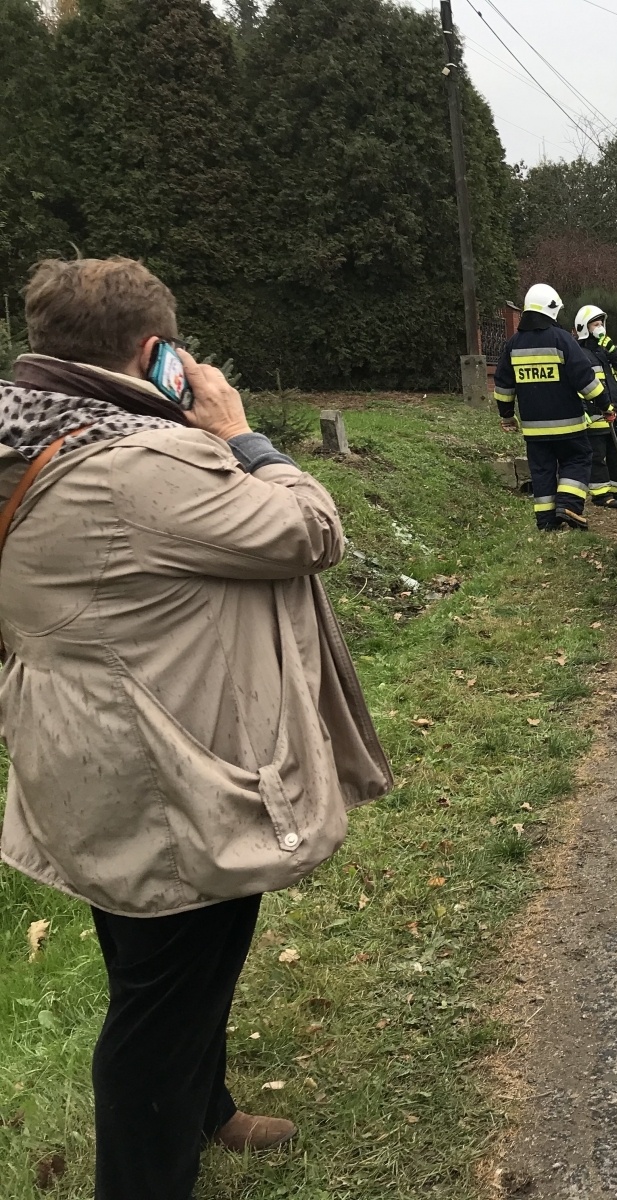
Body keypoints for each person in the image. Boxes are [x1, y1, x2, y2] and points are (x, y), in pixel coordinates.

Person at [0, 256, 391, 1200]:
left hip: (84, 749)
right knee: (162, 998)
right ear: (154, 353)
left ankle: (206, 1109)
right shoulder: (140, 467)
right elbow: (310, 529)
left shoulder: (29, 433)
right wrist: (240, 432)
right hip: (167, 768)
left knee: (160, 958)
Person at [494, 283, 607, 531]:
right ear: (552, 308)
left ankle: (546, 522)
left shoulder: (513, 344)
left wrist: (507, 415)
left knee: (542, 471)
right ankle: (568, 505)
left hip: (534, 430)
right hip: (568, 426)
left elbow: (503, 385)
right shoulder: (562, 339)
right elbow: (584, 378)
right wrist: (604, 404)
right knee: (578, 458)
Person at [573, 303, 617, 507]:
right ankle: (600, 495)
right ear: (584, 327)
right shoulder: (579, 353)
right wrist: (583, 410)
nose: (599, 328)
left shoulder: (606, 351)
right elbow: (578, 384)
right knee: (598, 456)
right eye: (595, 324)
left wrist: (613, 350)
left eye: (601, 324)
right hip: (596, 415)